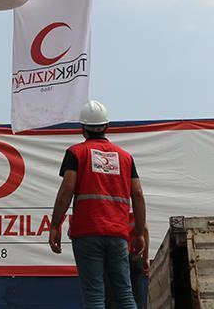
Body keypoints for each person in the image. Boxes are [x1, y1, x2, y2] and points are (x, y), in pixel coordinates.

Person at [49, 100, 147, 309]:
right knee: (125, 294)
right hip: (118, 233)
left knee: (94, 296)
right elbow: (138, 194)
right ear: (107, 126)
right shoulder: (125, 157)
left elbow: (67, 189)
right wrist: (139, 232)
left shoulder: (76, 153)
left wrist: (55, 225)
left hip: (87, 232)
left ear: (82, 128)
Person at [105, 213, 149, 309]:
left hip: (115, 257)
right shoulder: (135, 215)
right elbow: (145, 230)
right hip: (134, 256)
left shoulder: (110, 214)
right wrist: (145, 258)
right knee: (135, 293)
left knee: (112, 295)